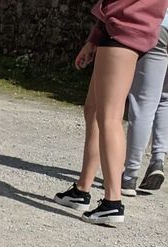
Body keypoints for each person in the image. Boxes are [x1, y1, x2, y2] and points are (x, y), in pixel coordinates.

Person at [55, 0, 168, 226]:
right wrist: (94, 39)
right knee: (93, 109)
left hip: (126, 25)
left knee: (110, 116)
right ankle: (82, 189)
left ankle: (112, 202)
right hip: (123, 24)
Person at [122, 11, 168, 193]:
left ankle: (129, 175)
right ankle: (158, 159)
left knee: (143, 103)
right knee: (165, 98)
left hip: (157, 24)